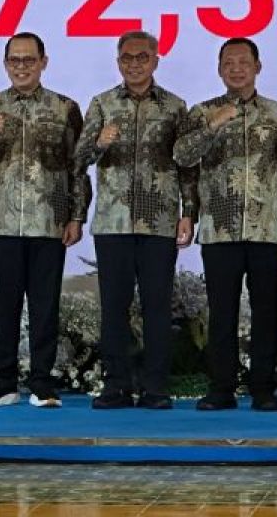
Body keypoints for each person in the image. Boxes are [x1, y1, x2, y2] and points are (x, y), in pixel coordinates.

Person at [0, 32, 91, 408]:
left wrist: (77, 215)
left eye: (29, 60)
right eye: (14, 60)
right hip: (1, 223)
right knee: (6, 306)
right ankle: (3, 383)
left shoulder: (65, 108)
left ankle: (42, 383)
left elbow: (78, 165)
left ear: (43, 63)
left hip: (49, 222)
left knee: (45, 306)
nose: (22, 67)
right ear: (5, 64)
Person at [173, 38, 277, 411]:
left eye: (243, 62)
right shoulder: (203, 112)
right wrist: (213, 126)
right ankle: (221, 388)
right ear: (219, 69)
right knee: (221, 313)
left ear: (257, 67)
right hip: (220, 228)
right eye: (228, 63)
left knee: (265, 311)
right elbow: (183, 158)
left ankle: (263, 388)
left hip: (267, 228)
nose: (236, 69)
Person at [75, 30, 198, 410]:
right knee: (114, 308)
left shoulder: (175, 107)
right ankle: (116, 385)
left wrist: (189, 212)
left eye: (142, 57)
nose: (134, 64)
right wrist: (98, 144)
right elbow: (78, 160)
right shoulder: (102, 104)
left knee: (157, 307)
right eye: (127, 58)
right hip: (113, 223)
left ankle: (155, 388)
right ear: (118, 62)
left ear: (156, 60)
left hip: (159, 222)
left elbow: (187, 165)